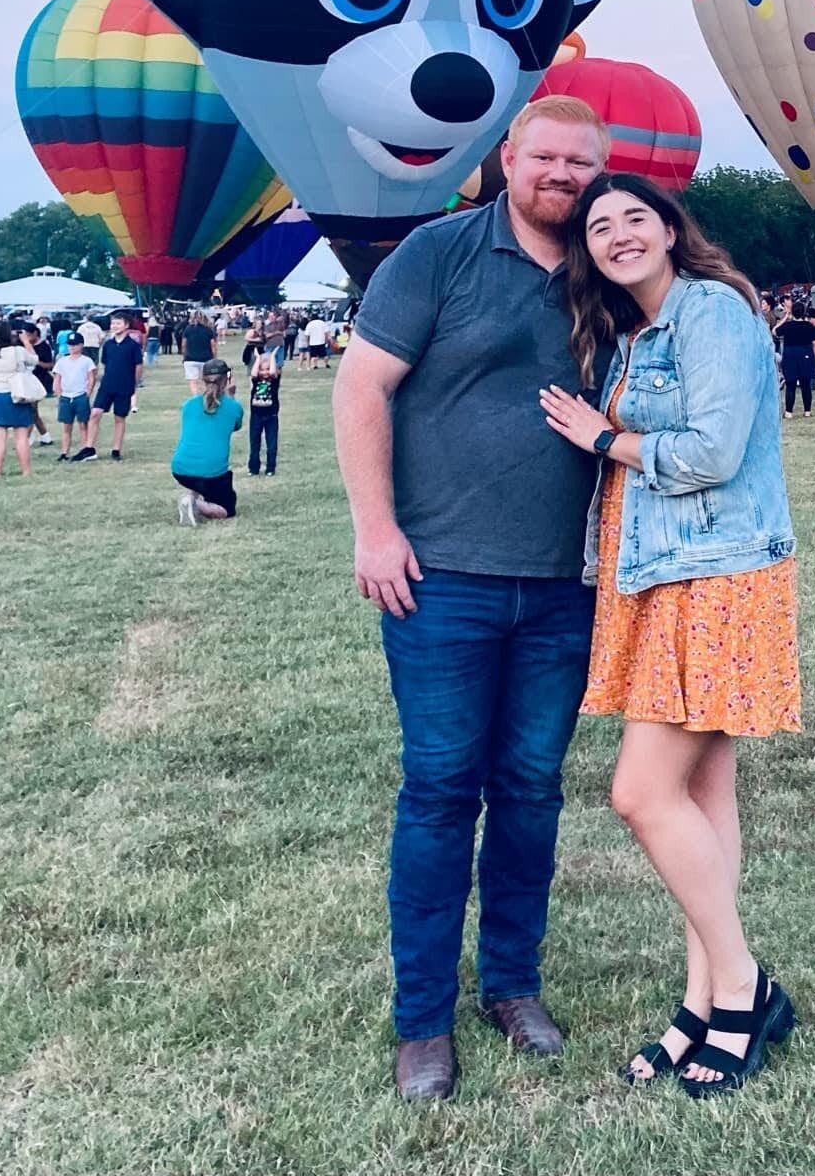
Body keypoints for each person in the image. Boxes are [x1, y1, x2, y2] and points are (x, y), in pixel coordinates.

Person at [333, 95, 609, 1098]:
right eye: (546, 157)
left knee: (532, 788)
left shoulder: (608, 269)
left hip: (563, 586)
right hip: (441, 577)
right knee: (444, 788)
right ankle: (421, 1022)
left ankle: (511, 981)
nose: (562, 176)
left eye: (581, 162)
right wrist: (376, 527)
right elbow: (362, 385)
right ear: (509, 156)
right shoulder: (438, 252)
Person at [540, 170, 798, 1098]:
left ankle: (744, 987)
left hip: (717, 578)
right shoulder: (634, 332)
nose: (615, 234)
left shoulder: (712, 314)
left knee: (641, 795)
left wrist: (600, 439)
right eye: (599, 226)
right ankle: (701, 1006)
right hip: (658, 578)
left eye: (632, 218)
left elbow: (712, 452)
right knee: (702, 788)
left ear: (668, 227)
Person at [172, 359, 244, 522]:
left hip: (180, 468)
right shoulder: (233, 407)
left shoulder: (189, 405)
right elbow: (235, 426)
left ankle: (192, 496)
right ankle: (195, 504)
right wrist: (231, 397)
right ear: (227, 379)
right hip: (212, 472)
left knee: (199, 480)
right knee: (227, 509)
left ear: (203, 380)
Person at [80, 310, 143, 461]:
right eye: (113, 323)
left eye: (118, 323)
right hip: (107, 385)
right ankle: (89, 448)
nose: (114, 326)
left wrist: (133, 385)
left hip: (124, 386)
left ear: (126, 325)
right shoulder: (108, 345)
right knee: (95, 414)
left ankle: (116, 450)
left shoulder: (133, 346)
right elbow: (106, 362)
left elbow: (138, 367)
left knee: (119, 418)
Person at [0, 322, 39, 481]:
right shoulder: (17, 351)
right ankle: (26, 471)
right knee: (21, 435)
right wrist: (26, 342)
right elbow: (34, 360)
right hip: (15, 394)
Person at [773, 300, 815, 419]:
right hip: (806, 353)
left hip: (790, 355)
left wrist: (785, 317)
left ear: (793, 313)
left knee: (790, 384)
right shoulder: (809, 326)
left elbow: (774, 331)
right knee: (805, 384)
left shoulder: (788, 325)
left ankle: (789, 412)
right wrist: (813, 356)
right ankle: (807, 411)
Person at [52, 333, 96, 462]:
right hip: (66, 396)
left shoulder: (86, 361)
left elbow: (91, 378)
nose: (72, 347)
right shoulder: (62, 361)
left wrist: (88, 392)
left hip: (80, 395)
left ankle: (84, 449)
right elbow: (57, 378)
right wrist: (59, 393)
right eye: (70, 345)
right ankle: (64, 452)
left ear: (81, 345)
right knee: (66, 426)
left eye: (75, 344)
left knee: (83, 425)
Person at [248, 352, 283, 476]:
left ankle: (270, 468)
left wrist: (272, 357)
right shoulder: (256, 380)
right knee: (254, 443)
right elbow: (253, 373)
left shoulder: (274, 381)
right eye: (262, 370)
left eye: (267, 369)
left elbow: (273, 372)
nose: (265, 372)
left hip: (271, 416)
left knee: (271, 444)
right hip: (256, 416)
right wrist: (258, 359)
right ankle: (253, 468)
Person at [181, 308, 217, 394]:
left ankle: (196, 397)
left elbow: (183, 344)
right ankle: (206, 396)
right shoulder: (208, 330)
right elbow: (213, 346)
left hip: (190, 359)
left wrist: (184, 356)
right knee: (205, 381)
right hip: (206, 359)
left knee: (193, 381)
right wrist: (214, 358)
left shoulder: (188, 329)